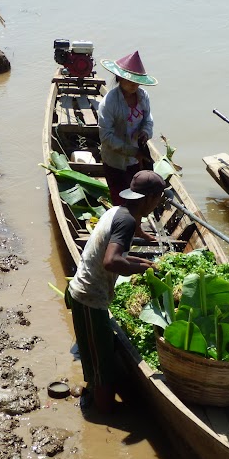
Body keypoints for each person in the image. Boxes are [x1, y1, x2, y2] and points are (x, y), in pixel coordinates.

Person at [66, 170, 166, 413]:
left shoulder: (118, 211)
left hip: (88, 294)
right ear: (148, 199)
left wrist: (143, 260)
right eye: (158, 198)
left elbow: (121, 246)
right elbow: (111, 262)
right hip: (90, 297)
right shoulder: (128, 221)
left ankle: (97, 395)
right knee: (103, 368)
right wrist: (140, 269)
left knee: (98, 357)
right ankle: (106, 416)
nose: (159, 203)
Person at [98, 50, 157, 205]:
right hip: (115, 160)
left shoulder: (143, 96)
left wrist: (145, 132)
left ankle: (136, 226)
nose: (134, 84)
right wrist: (132, 151)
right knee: (120, 199)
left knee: (137, 198)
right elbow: (106, 136)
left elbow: (148, 120)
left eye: (137, 81)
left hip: (137, 160)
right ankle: (125, 226)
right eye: (130, 80)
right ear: (119, 78)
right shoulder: (109, 102)